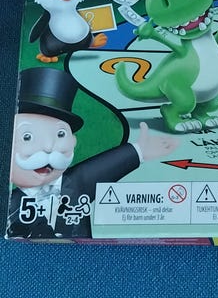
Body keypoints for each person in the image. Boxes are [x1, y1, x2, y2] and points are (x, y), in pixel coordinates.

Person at [7, 67, 178, 239]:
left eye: (60, 134)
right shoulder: (11, 204)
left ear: (73, 141)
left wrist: (139, 150)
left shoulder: (75, 183)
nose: (48, 147)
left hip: (87, 252)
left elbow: (104, 167)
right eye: (27, 137)